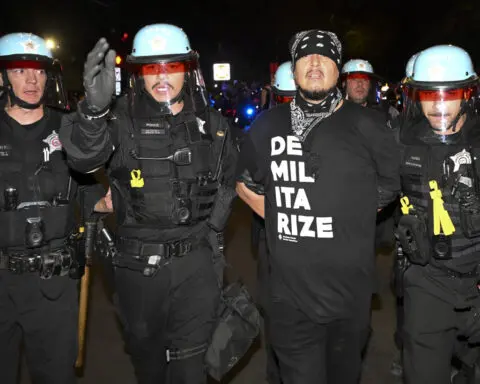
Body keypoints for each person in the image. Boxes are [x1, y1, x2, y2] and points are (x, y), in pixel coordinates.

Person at [59, 24, 238, 383]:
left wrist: (212, 239)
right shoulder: (118, 123)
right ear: (138, 74)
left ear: (186, 70)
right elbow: (82, 160)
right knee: (149, 365)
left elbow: (227, 183)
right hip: (137, 270)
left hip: (195, 267)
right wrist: (93, 112)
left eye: (170, 66)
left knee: (192, 369)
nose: (161, 77)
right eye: (151, 68)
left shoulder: (213, 125)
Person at [236, 29, 400, 384]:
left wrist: (345, 214)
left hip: (349, 299)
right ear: (293, 70)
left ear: (338, 70)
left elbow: (390, 185)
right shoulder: (267, 126)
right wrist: (285, 215)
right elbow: (244, 183)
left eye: (324, 56)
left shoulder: (368, 126)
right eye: (305, 56)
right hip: (288, 299)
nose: (314, 62)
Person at [0, 32, 108, 384]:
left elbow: (96, 195)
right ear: (2, 77)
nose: (33, 80)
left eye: (40, 71)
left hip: (53, 286)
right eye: (20, 70)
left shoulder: (69, 128)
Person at [397, 44, 480, 384]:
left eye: (448, 94)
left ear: (468, 95)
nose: (438, 105)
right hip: (428, 282)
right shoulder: (400, 145)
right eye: (428, 95)